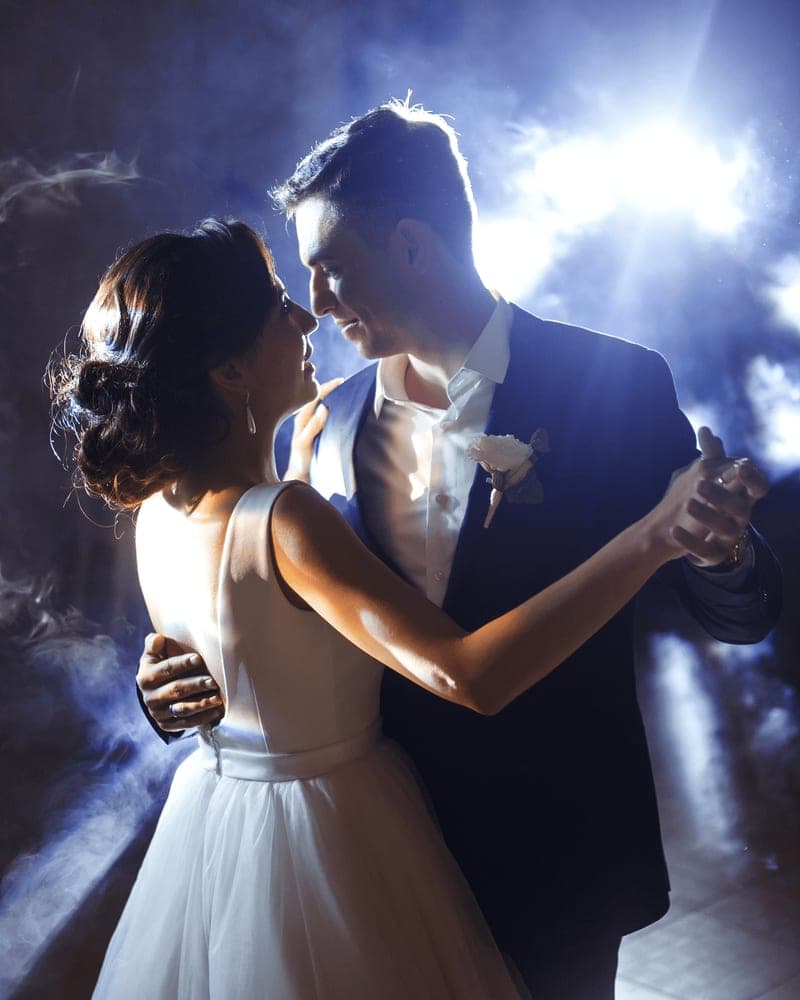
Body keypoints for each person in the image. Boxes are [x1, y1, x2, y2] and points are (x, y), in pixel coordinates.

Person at [136, 104, 782, 1000]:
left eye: (329, 269)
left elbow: (734, 610)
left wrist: (721, 552)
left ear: (410, 246)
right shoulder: (320, 428)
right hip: (369, 861)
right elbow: (278, 615)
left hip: (558, 857)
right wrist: (177, 678)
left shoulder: (618, 384)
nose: (315, 306)